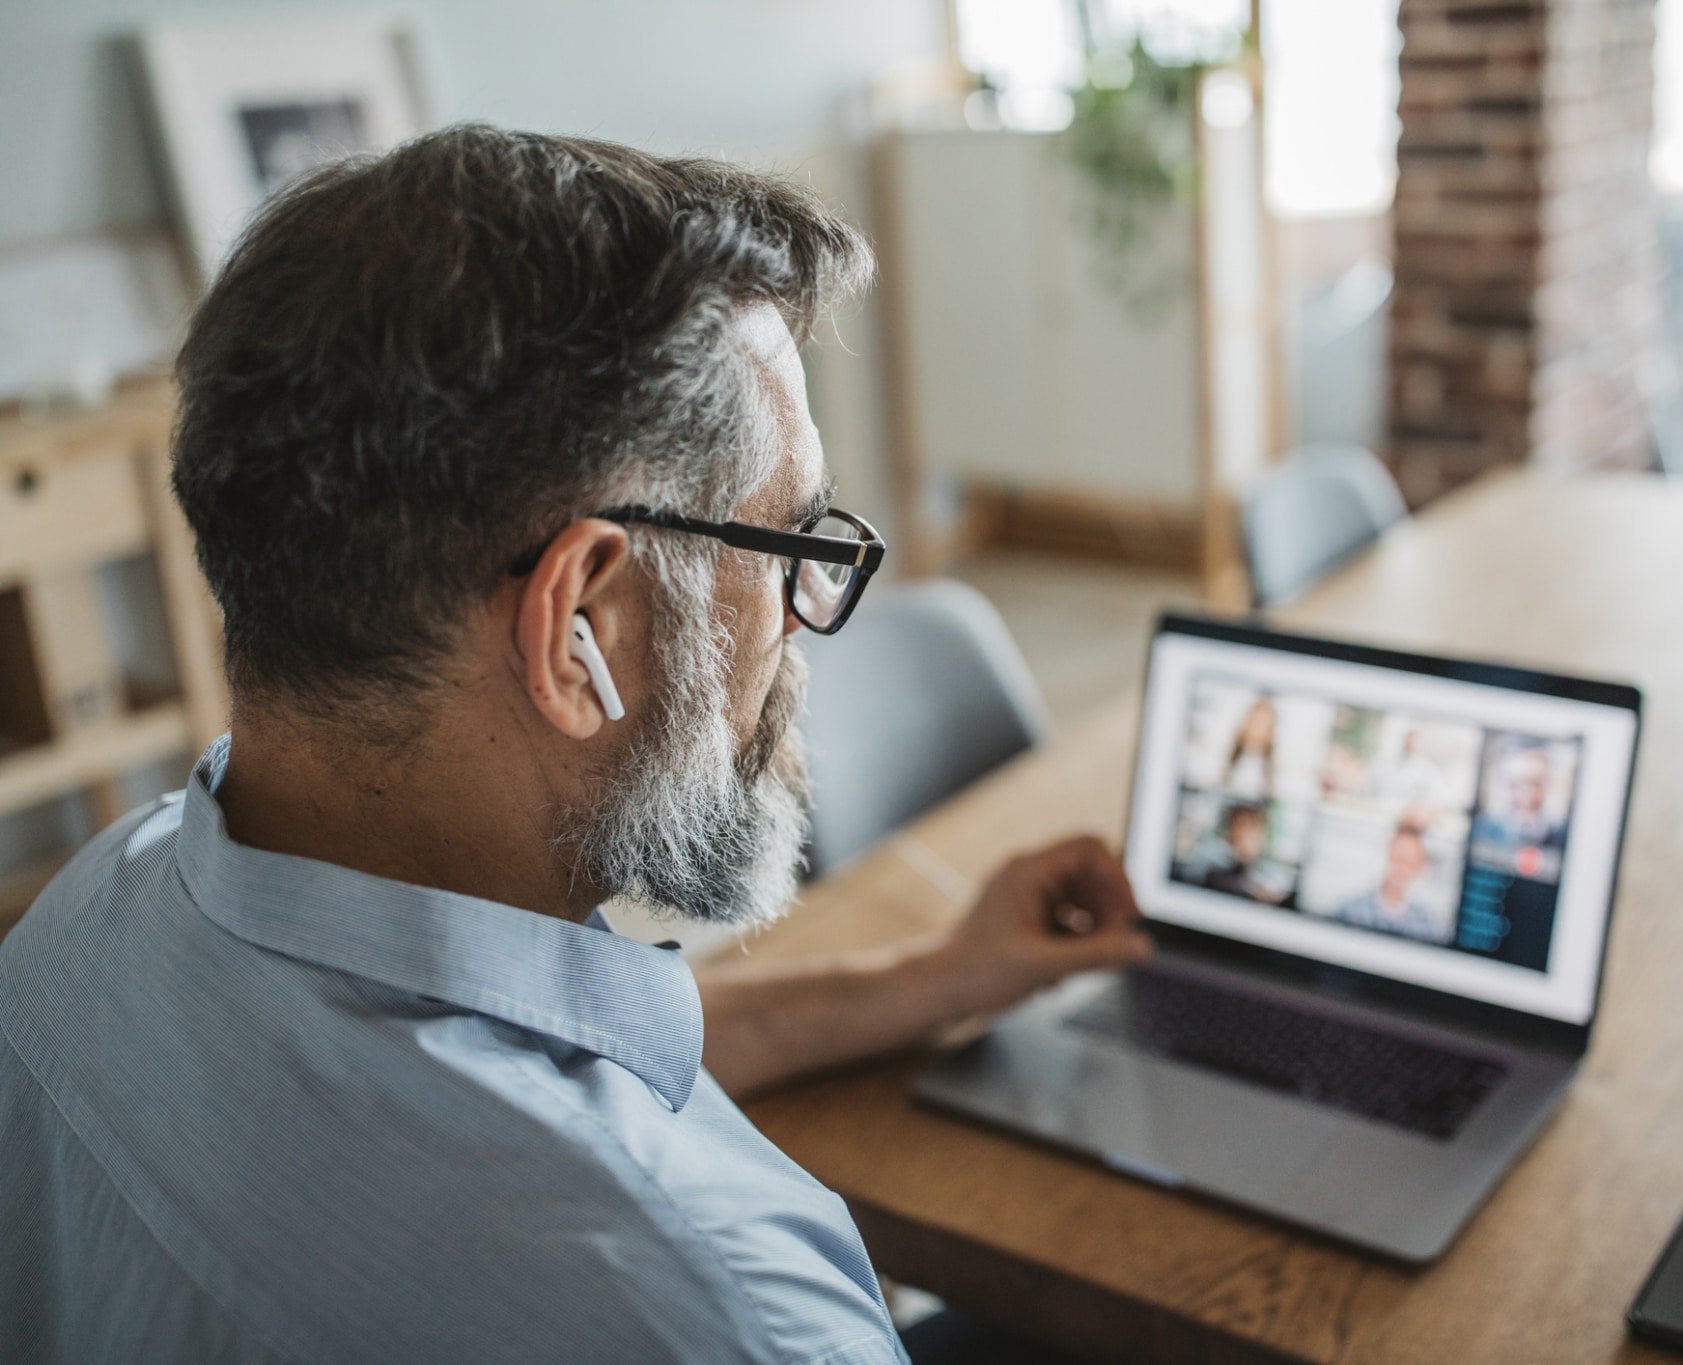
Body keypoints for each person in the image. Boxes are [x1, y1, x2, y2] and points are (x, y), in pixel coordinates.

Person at [0, 127, 1152, 1364]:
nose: (805, 626)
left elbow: (511, 1050)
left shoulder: (81, 924)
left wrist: (930, 979)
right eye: (793, 548)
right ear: (577, 631)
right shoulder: (721, 1313)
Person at [1337, 821, 1448, 942]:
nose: (1401, 869)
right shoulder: (1351, 909)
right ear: (1387, 855)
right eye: (1397, 859)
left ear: (1419, 868)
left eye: (1409, 863)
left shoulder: (1428, 925)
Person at [1198, 801, 1295, 906]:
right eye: (1239, 831)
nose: (1242, 839)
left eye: (1253, 833)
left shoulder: (1275, 878)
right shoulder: (1215, 872)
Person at [1220, 693, 1280, 798]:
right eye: (1256, 721)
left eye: (1264, 724)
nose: (1258, 728)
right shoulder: (1224, 760)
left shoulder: (1275, 772)